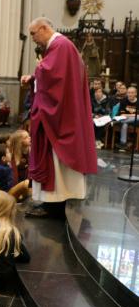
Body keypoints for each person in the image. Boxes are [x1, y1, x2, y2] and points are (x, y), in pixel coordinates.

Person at [21, 17, 97, 218]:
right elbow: (54, 76)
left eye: (34, 34)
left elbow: (52, 75)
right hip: (62, 113)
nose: (34, 40)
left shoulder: (61, 45)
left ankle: (53, 205)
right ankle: (50, 203)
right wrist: (35, 77)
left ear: (44, 28)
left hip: (60, 118)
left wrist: (37, 71)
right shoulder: (59, 46)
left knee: (56, 161)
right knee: (54, 161)